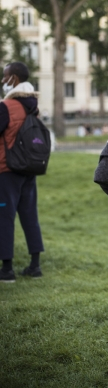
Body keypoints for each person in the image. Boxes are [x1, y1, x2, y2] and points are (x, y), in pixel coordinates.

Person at [0, 62, 45, 282]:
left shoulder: (6, 107)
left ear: (14, 79)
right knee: (29, 214)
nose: (3, 80)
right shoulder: (33, 105)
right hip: (29, 167)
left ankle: (7, 270)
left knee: (4, 217)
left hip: (7, 169)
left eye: (5, 76)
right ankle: (35, 266)